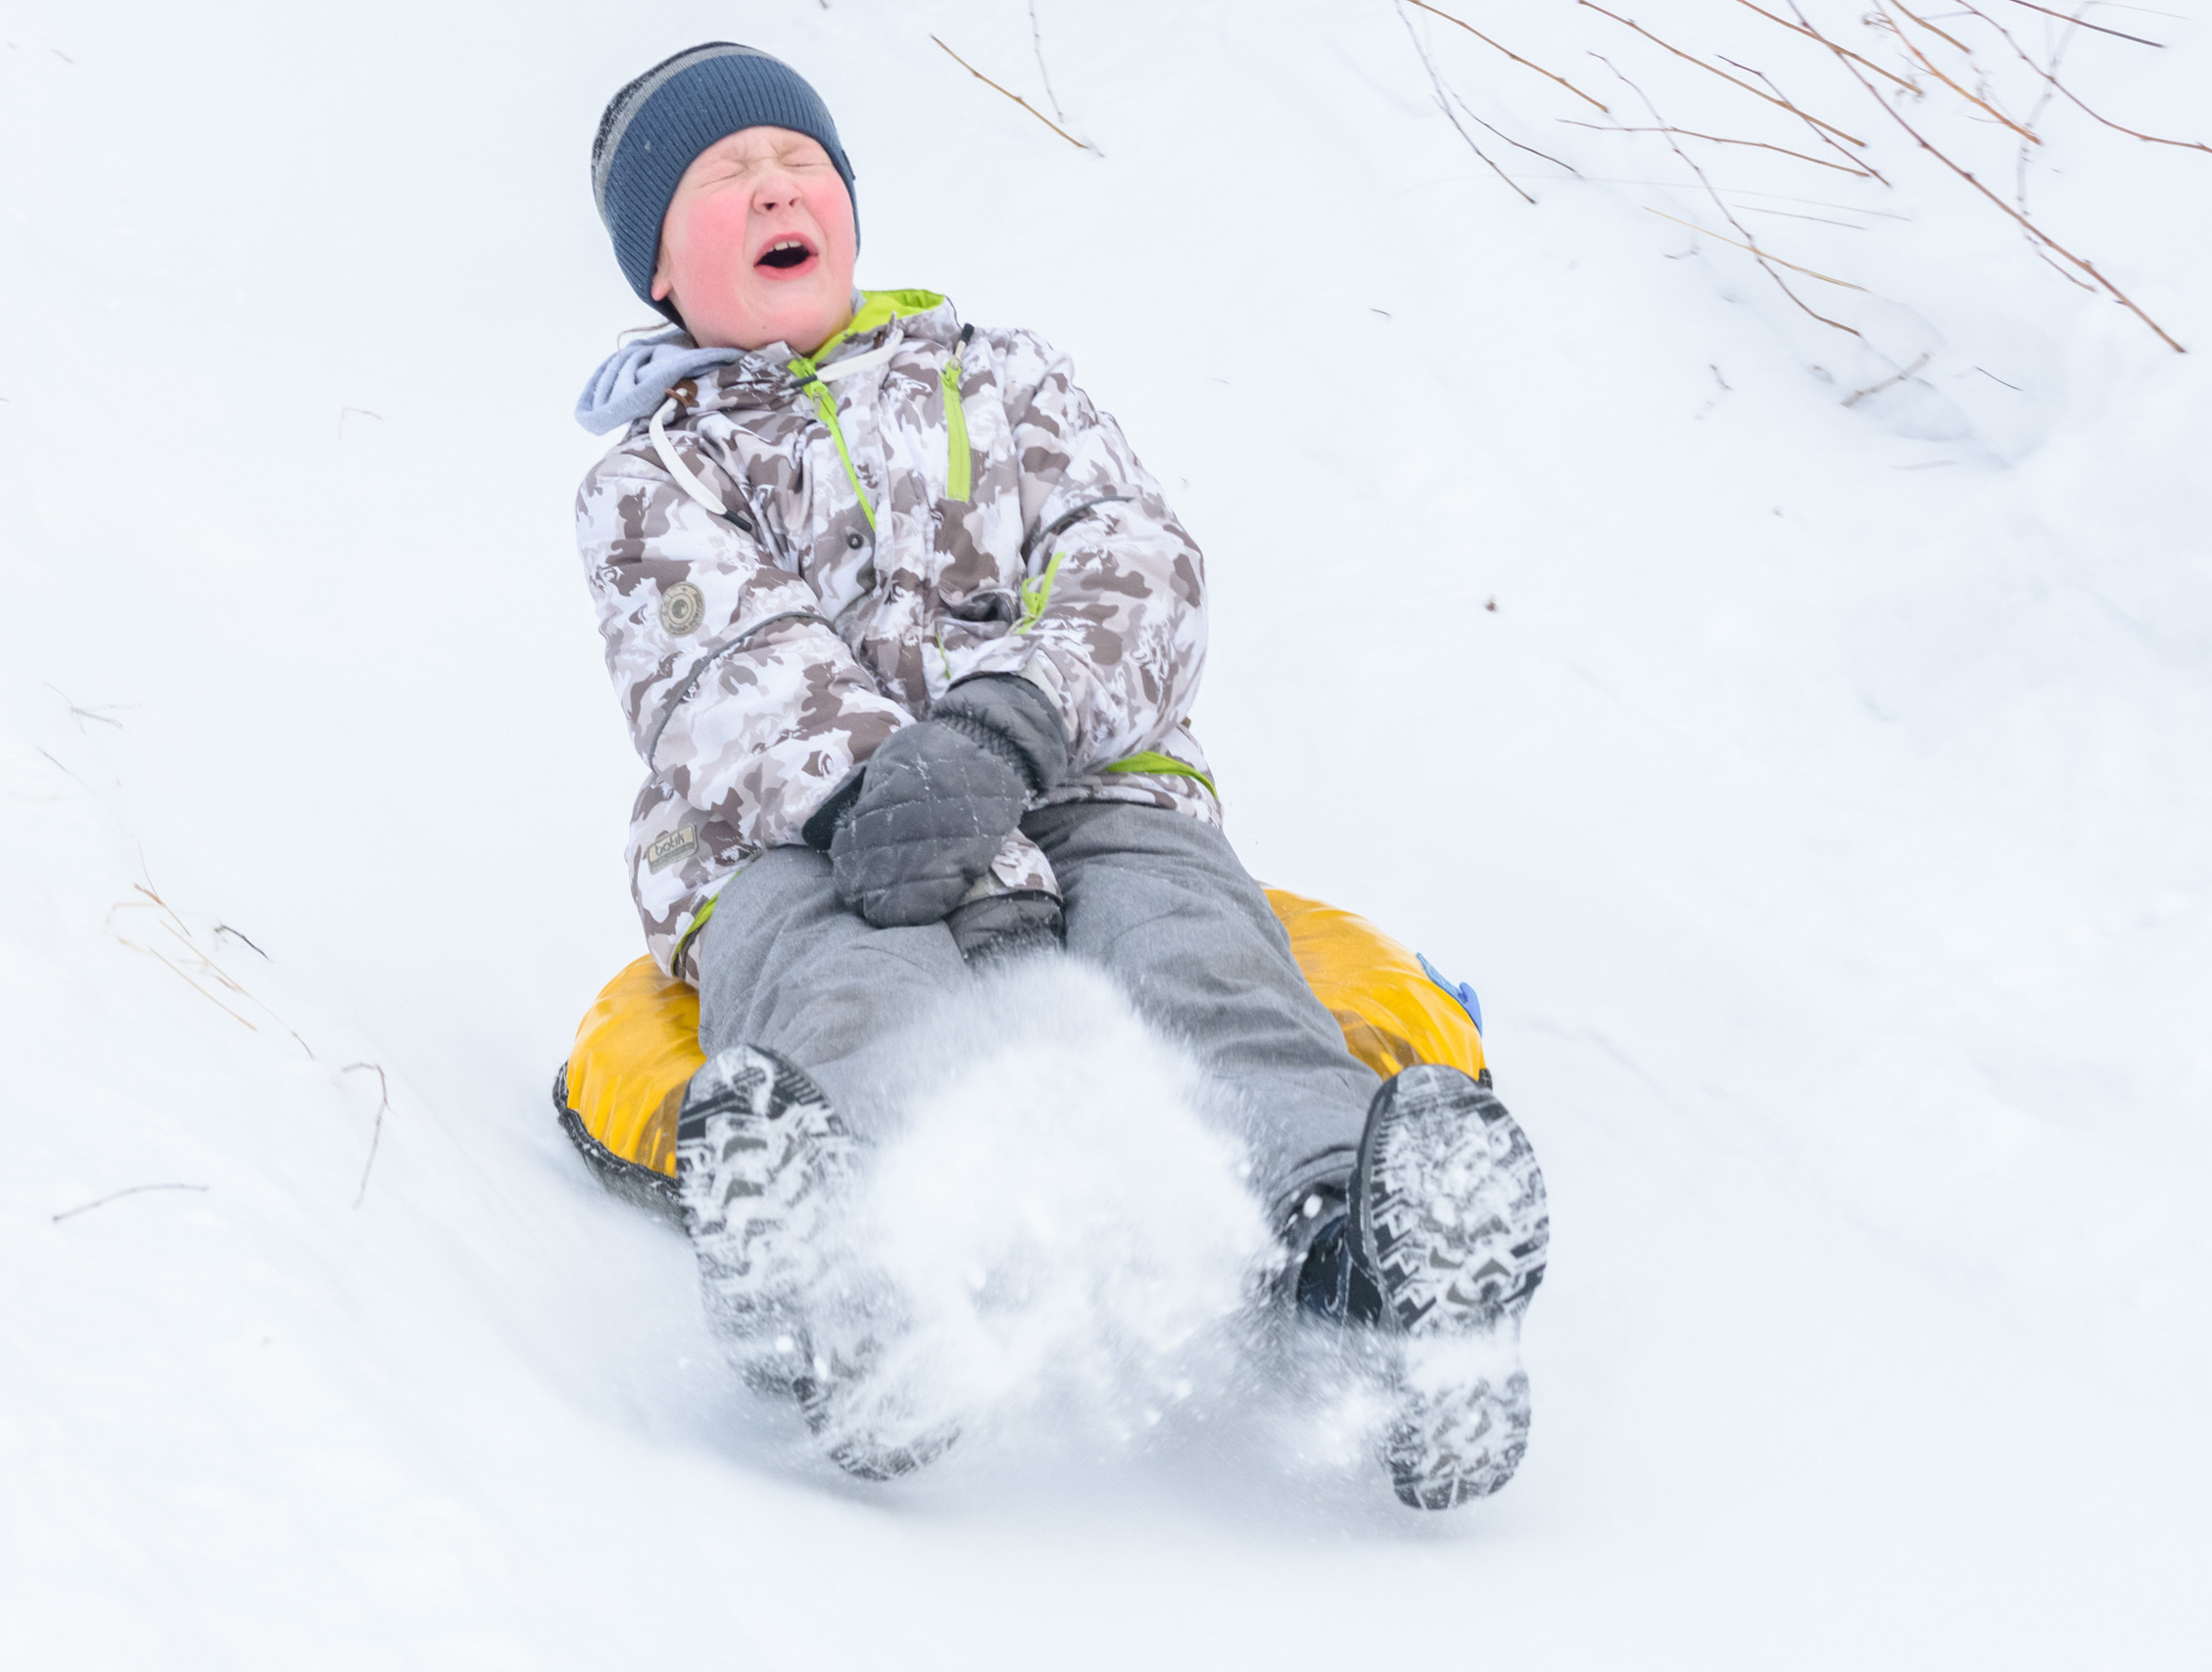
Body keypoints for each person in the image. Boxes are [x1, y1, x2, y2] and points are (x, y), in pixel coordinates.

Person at [571, 42, 1547, 1505]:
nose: (774, 181)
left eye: (801, 162)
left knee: (1201, 963)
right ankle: (852, 1287)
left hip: (1083, 784)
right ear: (658, 271)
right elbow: (713, 670)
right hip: (804, 845)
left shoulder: (1002, 379)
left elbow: (1138, 557)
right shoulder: (653, 477)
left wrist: (1005, 726)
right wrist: (865, 796)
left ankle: (1376, 1257)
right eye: (723, 175)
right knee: (850, 1001)